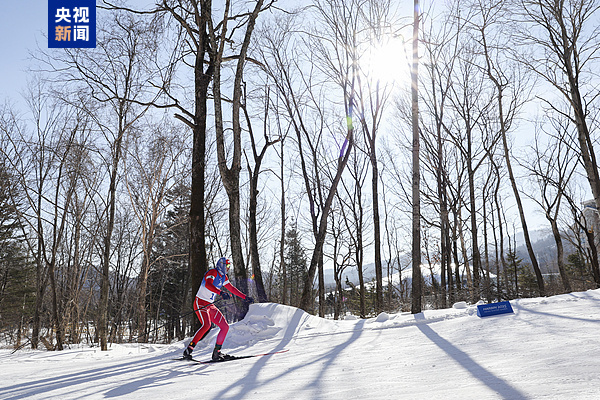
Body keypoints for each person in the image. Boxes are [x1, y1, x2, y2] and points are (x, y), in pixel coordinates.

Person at [183, 257, 254, 361]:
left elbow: (231, 288)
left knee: (225, 327)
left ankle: (217, 352)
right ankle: (189, 349)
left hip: (210, 305)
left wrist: (245, 297)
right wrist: (221, 292)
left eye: (229, 266)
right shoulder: (212, 272)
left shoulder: (224, 277)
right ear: (221, 265)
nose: (229, 268)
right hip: (200, 302)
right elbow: (208, 284)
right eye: (227, 266)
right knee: (207, 325)